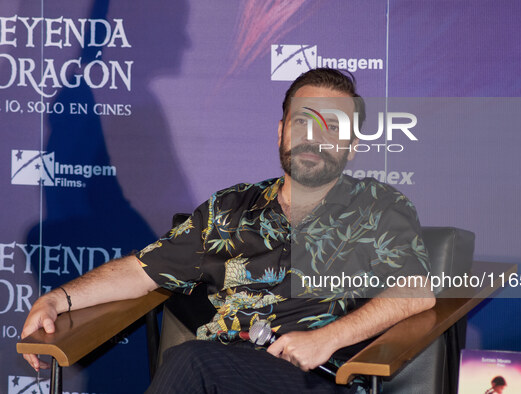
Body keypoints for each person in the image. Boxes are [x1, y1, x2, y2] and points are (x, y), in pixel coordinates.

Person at [21, 68, 435, 393]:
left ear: (352, 145)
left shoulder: (377, 206)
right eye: (303, 122)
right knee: (198, 364)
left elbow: (416, 289)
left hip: (315, 378)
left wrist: (328, 338)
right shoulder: (229, 210)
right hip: (220, 371)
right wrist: (59, 298)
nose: (315, 138)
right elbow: (140, 270)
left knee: (192, 362)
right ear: (280, 131)